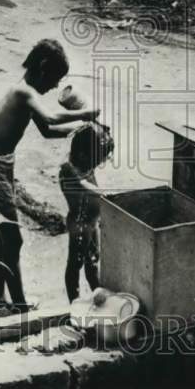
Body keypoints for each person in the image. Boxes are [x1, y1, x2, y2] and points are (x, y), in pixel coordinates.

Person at [0, 39, 99, 315]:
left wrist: (81, 129)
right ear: (42, 68)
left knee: (2, 238)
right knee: (13, 240)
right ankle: (19, 305)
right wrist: (85, 113)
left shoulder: (27, 95)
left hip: (0, 165)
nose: (54, 87)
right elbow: (52, 118)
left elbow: (48, 130)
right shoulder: (23, 92)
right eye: (54, 79)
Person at [59, 122, 115, 303]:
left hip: (92, 222)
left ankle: (97, 295)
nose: (98, 164)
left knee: (92, 260)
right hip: (80, 224)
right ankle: (74, 301)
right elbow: (85, 185)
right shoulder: (69, 170)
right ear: (83, 155)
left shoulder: (84, 163)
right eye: (96, 160)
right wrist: (105, 194)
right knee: (75, 264)